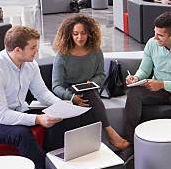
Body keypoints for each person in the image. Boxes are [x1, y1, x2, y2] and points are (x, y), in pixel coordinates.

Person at [0, 26, 96, 169]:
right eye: (33, 47)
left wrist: (62, 106)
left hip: (16, 110)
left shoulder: (30, 65)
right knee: (21, 133)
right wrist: (38, 119)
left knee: (61, 118)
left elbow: (42, 94)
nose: (37, 51)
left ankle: (57, 164)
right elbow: (1, 115)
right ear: (18, 50)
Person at [121, 12, 171, 161]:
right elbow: (145, 70)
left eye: (160, 35)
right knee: (134, 92)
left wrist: (164, 84)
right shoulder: (152, 43)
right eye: (155, 33)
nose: (155, 37)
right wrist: (136, 77)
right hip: (157, 89)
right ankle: (130, 143)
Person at [51, 15, 130, 150]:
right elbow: (56, 86)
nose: (79, 37)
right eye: (75, 34)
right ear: (70, 34)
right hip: (69, 93)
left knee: (89, 93)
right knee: (89, 96)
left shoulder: (95, 51)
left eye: (83, 33)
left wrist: (92, 82)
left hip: (90, 90)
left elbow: (100, 75)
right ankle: (110, 133)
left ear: (89, 34)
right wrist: (71, 97)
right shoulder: (62, 55)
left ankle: (88, 147)